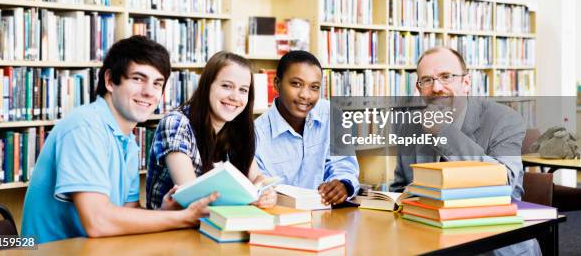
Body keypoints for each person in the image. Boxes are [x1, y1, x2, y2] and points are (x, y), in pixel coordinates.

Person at [21, 36, 218, 244]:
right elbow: (97, 221)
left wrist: (163, 211)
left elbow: (128, 210)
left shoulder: (127, 140)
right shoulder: (85, 127)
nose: (149, 92)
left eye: (157, 83)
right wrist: (182, 218)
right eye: (138, 79)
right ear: (109, 81)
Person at [390, 46, 538, 256]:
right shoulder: (410, 127)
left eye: (446, 77)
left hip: (492, 243)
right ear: (419, 88)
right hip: (428, 240)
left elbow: (504, 181)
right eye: (427, 80)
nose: (437, 87)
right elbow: (400, 189)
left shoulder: (504, 119)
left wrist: (443, 132)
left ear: (466, 83)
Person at [146, 51, 276, 210]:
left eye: (243, 90)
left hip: (217, 226)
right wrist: (247, 197)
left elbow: (257, 178)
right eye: (227, 86)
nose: (235, 97)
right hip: (171, 229)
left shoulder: (237, 127)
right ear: (207, 86)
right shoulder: (176, 123)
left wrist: (265, 193)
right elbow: (193, 200)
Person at [254, 50, 360, 206]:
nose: (305, 95)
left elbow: (344, 166)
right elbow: (261, 190)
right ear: (277, 84)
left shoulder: (331, 114)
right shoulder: (256, 134)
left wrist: (343, 184)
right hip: (282, 220)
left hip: (327, 216)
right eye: (296, 84)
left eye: (314, 87)